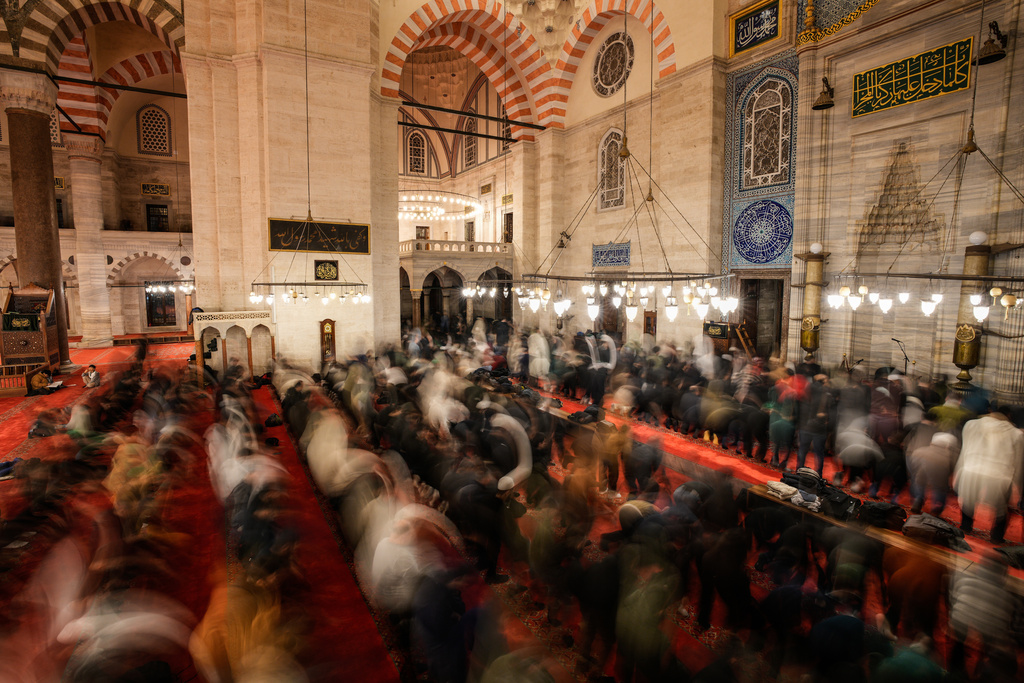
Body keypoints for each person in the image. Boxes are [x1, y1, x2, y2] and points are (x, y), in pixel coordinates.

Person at [954, 405, 1024, 544]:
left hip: (971, 470)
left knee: (968, 501)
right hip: (999, 475)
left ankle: (966, 527)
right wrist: (1017, 487)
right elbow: (1018, 463)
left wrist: (959, 471)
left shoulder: (971, 425)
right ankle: (996, 537)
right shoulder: (1017, 434)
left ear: (990, 412)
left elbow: (965, 449)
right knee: (1000, 509)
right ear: (1009, 417)